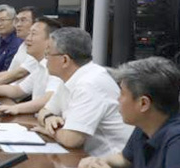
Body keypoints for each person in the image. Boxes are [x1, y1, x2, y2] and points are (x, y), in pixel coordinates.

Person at [33, 27, 133, 157]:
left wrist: (50, 131)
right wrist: (49, 118)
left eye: (48, 54)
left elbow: (72, 139)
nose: (45, 59)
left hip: (112, 163)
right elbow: (44, 111)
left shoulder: (90, 84)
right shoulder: (71, 78)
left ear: (65, 60)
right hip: (86, 157)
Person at [0, 16, 63, 116]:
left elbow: (49, 98)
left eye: (33, 34)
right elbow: (18, 90)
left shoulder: (56, 66)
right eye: (29, 34)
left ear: (50, 41)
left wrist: (16, 108)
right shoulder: (40, 65)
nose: (28, 38)